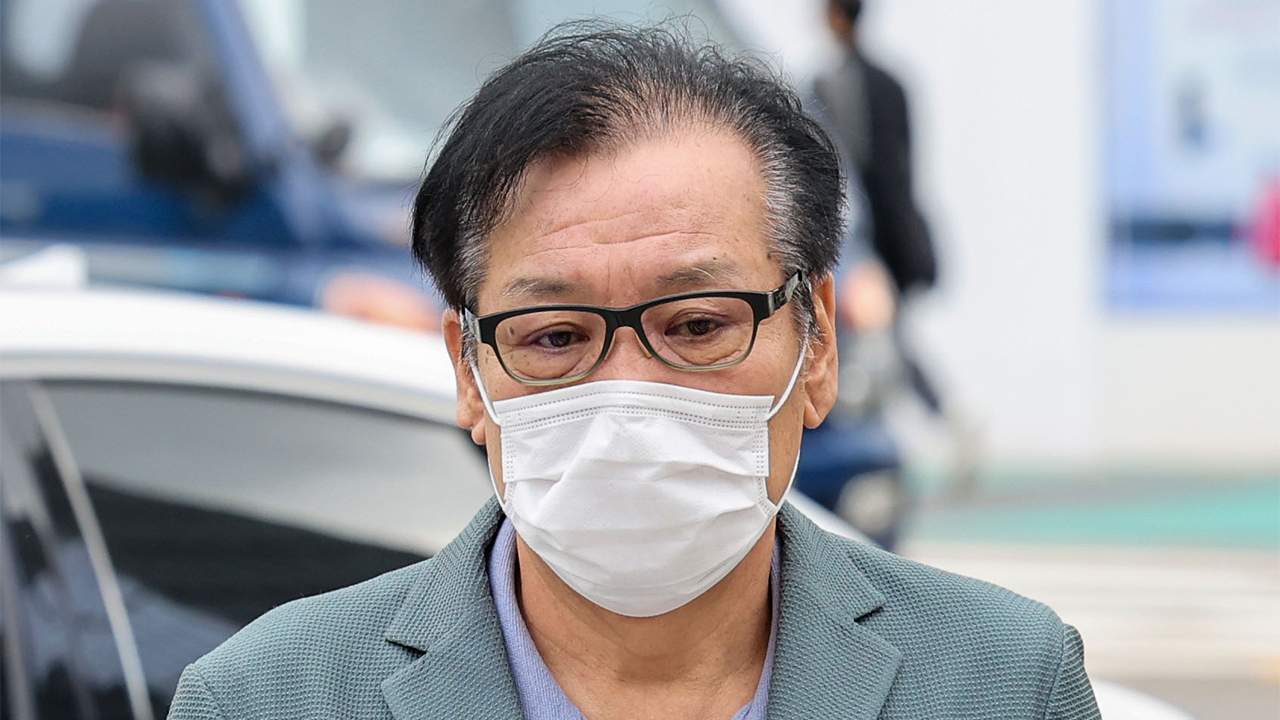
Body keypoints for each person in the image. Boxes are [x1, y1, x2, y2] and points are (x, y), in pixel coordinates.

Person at [167, 23, 1099, 720]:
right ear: (468, 372)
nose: (628, 397)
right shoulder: (265, 699)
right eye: (554, 337)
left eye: (696, 325)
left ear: (817, 344)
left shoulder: (1003, 683)